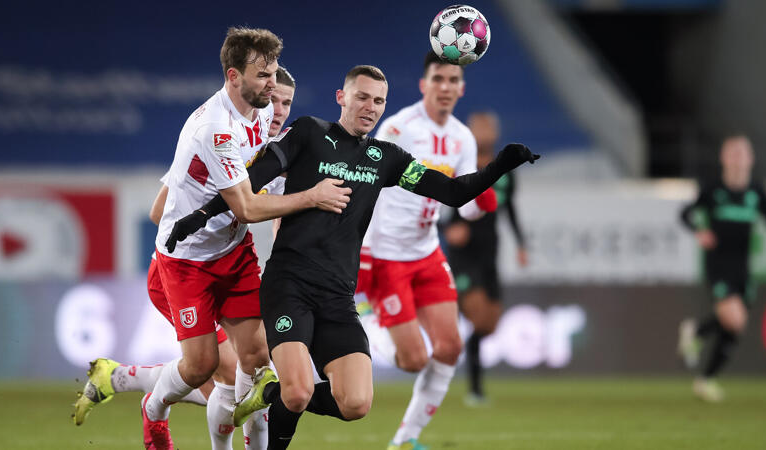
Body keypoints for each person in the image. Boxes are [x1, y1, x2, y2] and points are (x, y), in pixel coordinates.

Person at [166, 64, 539, 450]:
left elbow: (454, 193)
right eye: (362, 97)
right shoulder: (309, 133)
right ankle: (277, 409)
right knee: (298, 393)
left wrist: (500, 164)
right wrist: (199, 216)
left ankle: (268, 395)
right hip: (289, 286)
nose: (370, 107)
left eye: (379, 101)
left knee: (356, 403)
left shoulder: (386, 158)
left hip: (338, 296)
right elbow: (251, 180)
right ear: (341, 97)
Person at [140, 28, 350, 450]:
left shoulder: (257, 114)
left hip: (234, 254)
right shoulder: (216, 130)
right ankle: (153, 409)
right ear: (233, 76)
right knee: (202, 366)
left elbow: (256, 180)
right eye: (263, 76)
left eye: (274, 75)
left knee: (255, 359)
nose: (272, 86)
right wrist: (312, 196)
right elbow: (246, 208)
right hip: (188, 263)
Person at [72, 66, 299, 450]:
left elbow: (280, 219)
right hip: (180, 270)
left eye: (286, 103)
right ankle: (152, 408)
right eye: (273, 99)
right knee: (222, 374)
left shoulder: (282, 153)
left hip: (228, 265)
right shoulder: (219, 138)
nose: (277, 109)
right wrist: (218, 218)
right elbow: (161, 212)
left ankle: (117, 377)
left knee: (240, 376)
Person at [356, 53, 503, 450]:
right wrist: (364, 252)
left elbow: (465, 205)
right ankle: (367, 322)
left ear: (461, 88)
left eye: (452, 79)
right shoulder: (398, 127)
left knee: (450, 347)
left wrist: (484, 200)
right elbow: (366, 187)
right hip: (386, 255)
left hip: (426, 253)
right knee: (413, 360)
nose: (445, 86)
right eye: (437, 78)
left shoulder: (462, 138)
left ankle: (406, 439)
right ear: (424, 85)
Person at [443, 111, 528, 407]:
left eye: (489, 126)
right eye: (479, 126)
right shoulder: (460, 169)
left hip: (491, 254)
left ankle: (472, 381)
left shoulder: (505, 174)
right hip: (464, 257)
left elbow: (510, 209)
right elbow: (441, 209)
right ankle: (473, 388)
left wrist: (521, 243)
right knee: (478, 315)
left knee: (489, 325)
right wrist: (449, 228)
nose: (485, 131)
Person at [678, 135, 766, 402]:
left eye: (743, 153)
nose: (738, 158)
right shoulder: (713, 189)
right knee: (736, 318)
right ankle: (700, 354)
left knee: (734, 327)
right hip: (718, 264)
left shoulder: (756, 192)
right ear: (723, 158)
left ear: (751, 158)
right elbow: (685, 214)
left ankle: (704, 370)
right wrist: (699, 231)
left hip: (743, 267)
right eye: (733, 152)